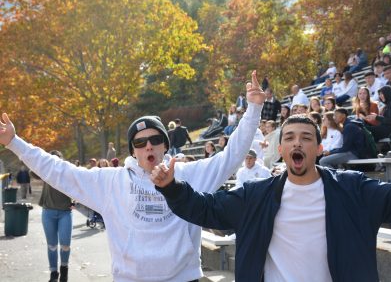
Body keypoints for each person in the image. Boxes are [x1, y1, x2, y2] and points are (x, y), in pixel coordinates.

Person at [0, 71, 266, 282]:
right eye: (140, 143)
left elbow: (230, 156)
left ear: (164, 145)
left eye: (153, 140)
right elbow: (59, 171)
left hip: (183, 278)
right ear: (133, 150)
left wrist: (253, 110)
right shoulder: (112, 181)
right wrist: (14, 142)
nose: (147, 146)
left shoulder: (188, 174)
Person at [152, 114, 391, 281]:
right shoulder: (256, 196)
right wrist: (171, 188)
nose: (297, 144)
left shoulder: (351, 190)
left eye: (306, 138)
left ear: (320, 149)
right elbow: (207, 208)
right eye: (289, 138)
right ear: (280, 150)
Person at [37, 150, 73, 282]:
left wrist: (75, 201)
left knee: (65, 245)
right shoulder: (44, 171)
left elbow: (79, 185)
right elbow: (32, 172)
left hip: (65, 212)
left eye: (57, 159)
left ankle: (64, 270)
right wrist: (42, 161)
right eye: (51, 159)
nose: (54, 161)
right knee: (52, 245)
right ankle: (53, 273)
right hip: (48, 212)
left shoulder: (67, 172)